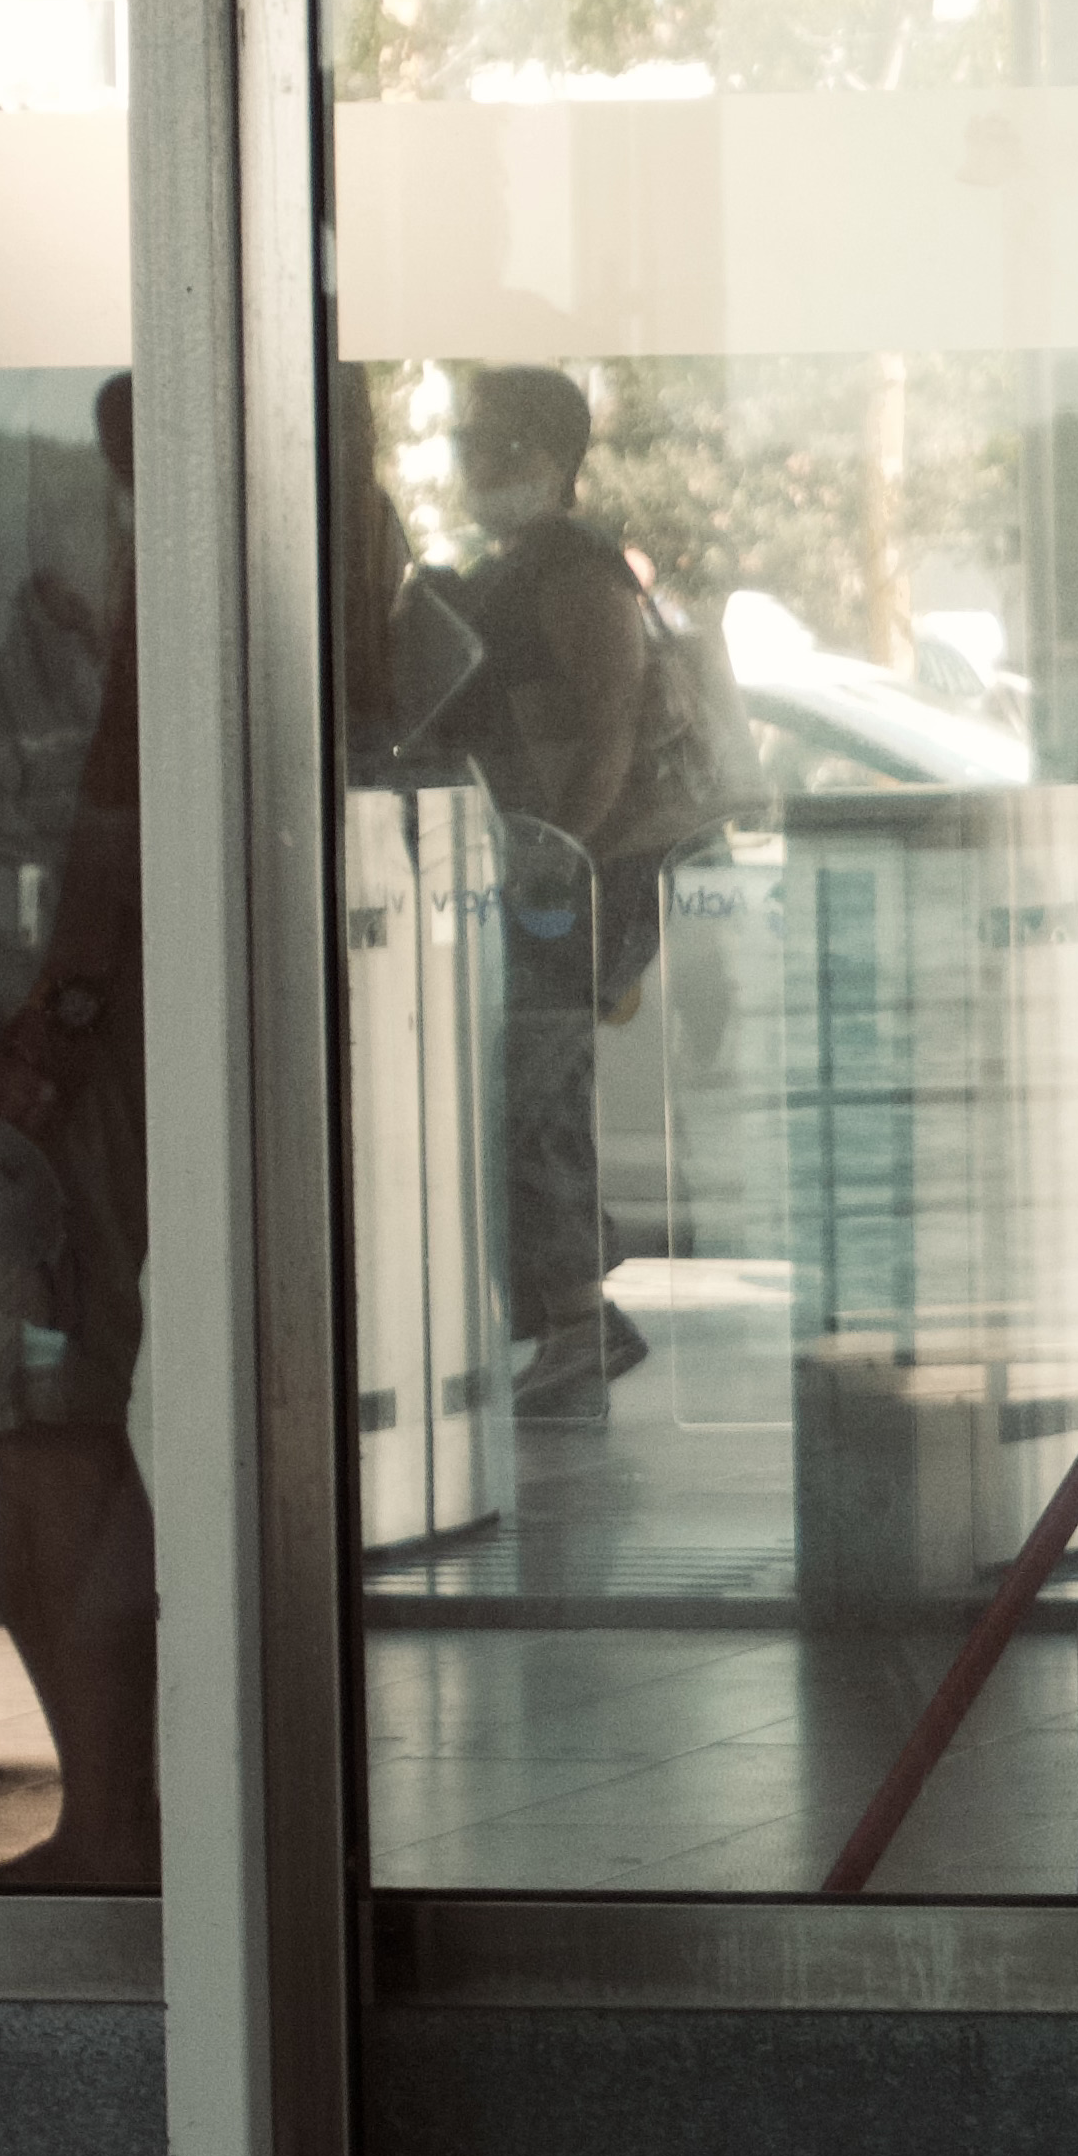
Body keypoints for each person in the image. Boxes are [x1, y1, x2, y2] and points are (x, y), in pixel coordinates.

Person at [0, 371, 155, 1886]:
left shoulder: (130, 543)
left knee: (39, 1418)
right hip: (58, 1017)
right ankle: (116, 1814)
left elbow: (111, 812)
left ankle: (116, 1820)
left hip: (57, 1036)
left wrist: (60, 1021)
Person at [448, 364, 675, 1421]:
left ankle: (583, 1318)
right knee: (531, 1094)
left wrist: (557, 853)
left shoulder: (577, 571)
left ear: (556, 460)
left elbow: (611, 727)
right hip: (540, 871)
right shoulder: (520, 564)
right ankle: (568, 1314)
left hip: (573, 878)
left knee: (533, 1095)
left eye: (500, 449)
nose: (474, 466)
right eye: (466, 444)